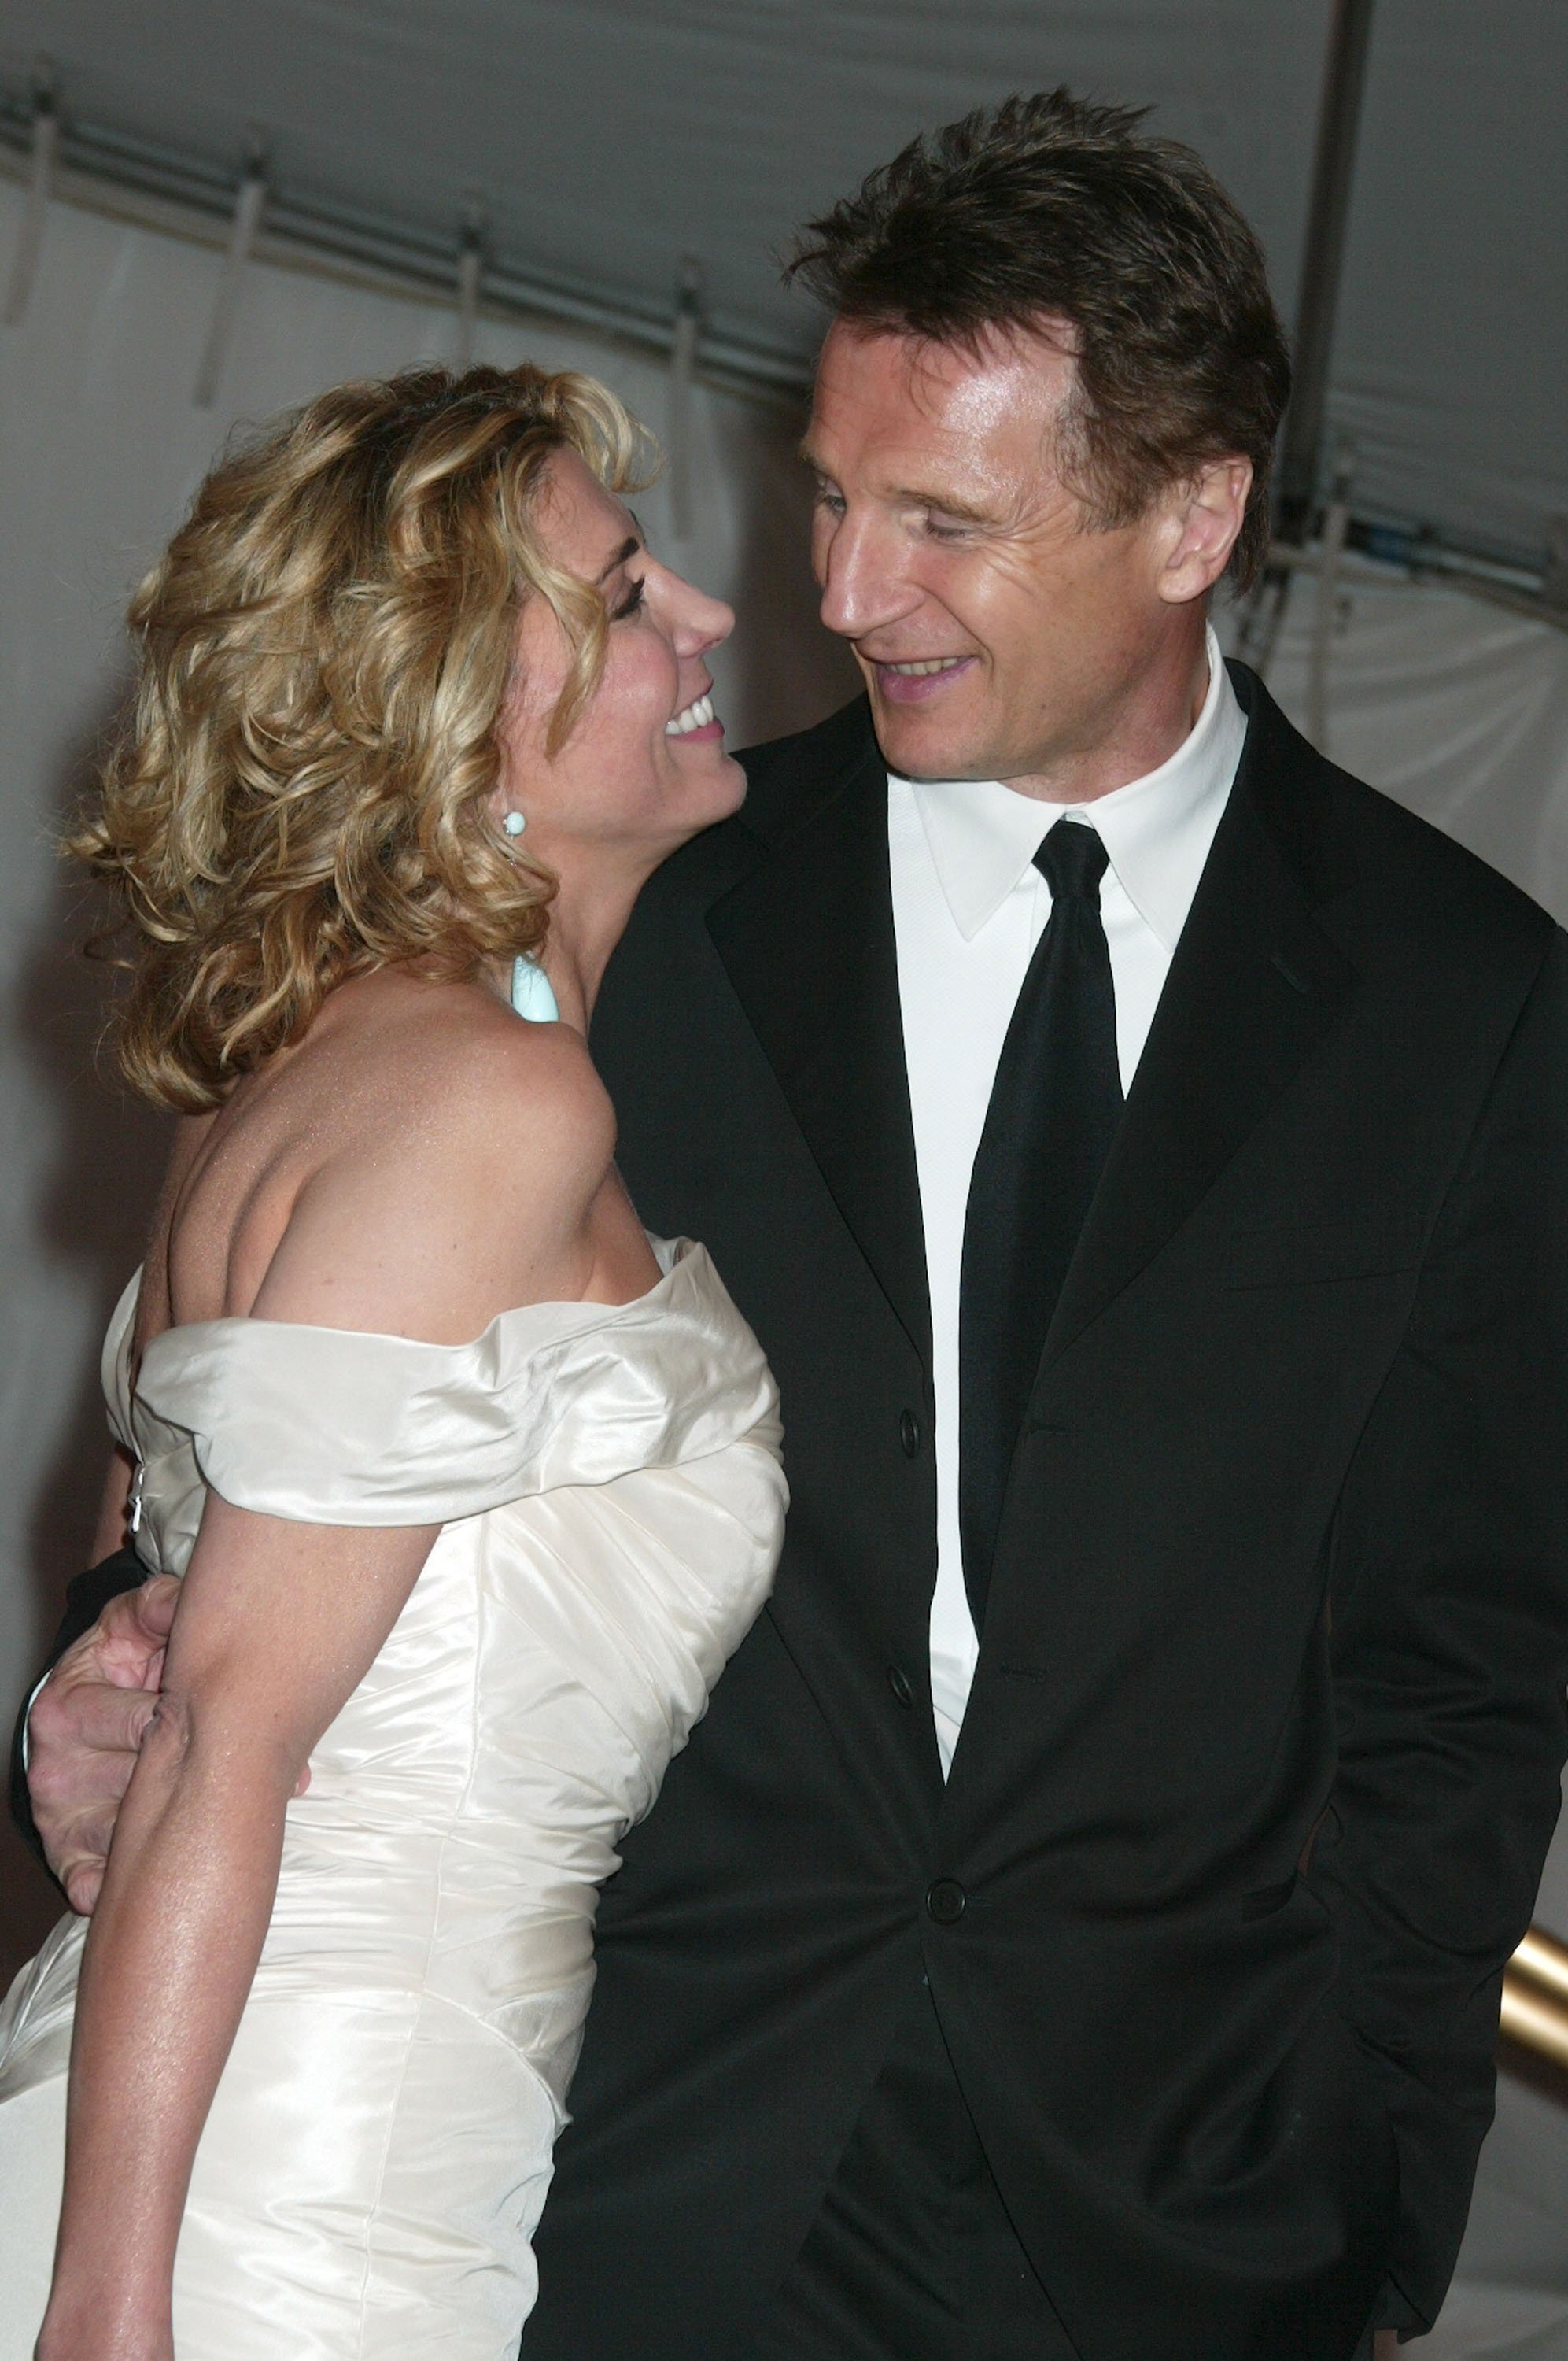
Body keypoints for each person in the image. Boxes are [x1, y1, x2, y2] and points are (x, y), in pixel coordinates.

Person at [20, 89, 1568, 2361]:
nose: (841, 593)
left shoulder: (1471, 1005)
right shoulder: (649, 887)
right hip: (640, 2169)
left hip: (1179, 2217)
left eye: (941, 523)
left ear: (1192, 515)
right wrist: (97, 1655)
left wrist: (1365, 2192)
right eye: (831, 500)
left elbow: (1466, 1667)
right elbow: (298, 1385)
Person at [0, 361, 787, 2359]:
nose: (701, 617)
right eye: (620, 598)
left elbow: (147, 1601)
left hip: (292, 2108)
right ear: (457, 724)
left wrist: (82, 1685)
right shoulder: (486, 1106)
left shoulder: (311, 1083)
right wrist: (114, 2314)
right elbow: (217, 1736)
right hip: (291, 2169)